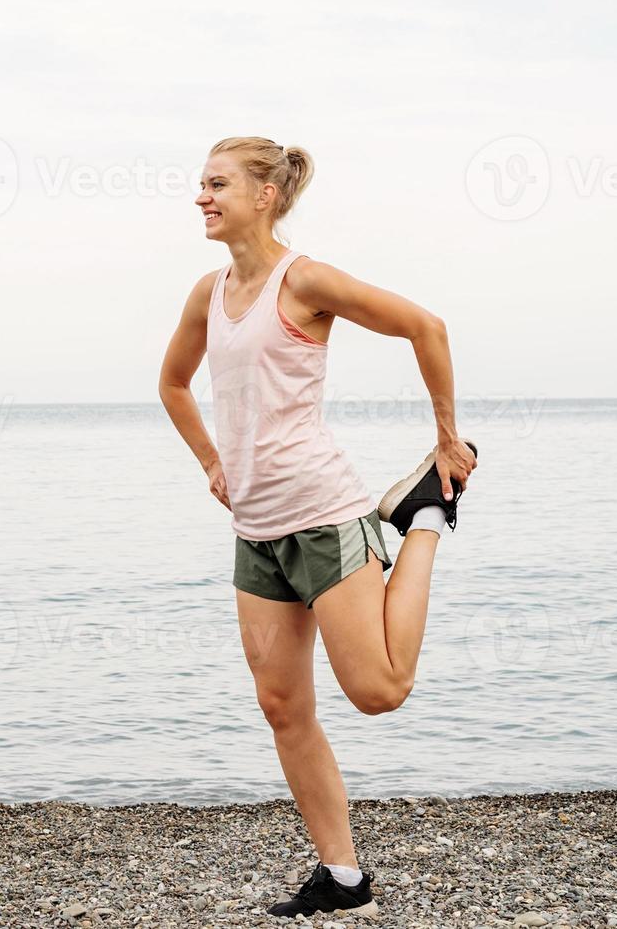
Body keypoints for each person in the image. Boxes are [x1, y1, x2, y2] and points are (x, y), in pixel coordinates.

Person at [157, 136, 480, 919]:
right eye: (201, 184)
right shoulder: (208, 292)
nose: (202, 197)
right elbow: (171, 383)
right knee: (282, 708)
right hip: (256, 533)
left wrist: (446, 439)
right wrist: (211, 460)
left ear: (264, 195)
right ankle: (344, 880)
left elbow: (425, 327)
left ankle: (424, 518)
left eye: (217, 184)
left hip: (326, 517)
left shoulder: (304, 281)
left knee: (379, 691)